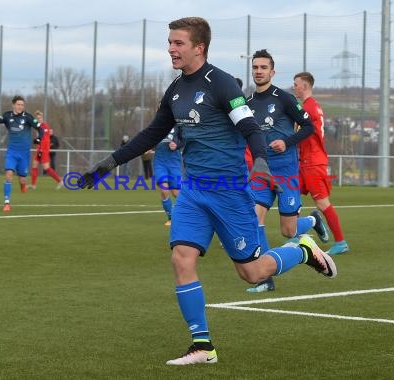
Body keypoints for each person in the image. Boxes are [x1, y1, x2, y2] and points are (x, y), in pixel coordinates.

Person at [78, 17, 337, 365]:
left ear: (198, 47)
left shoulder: (222, 84)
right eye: (169, 42)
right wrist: (108, 163)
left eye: (178, 43)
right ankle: (203, 345)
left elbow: (250, 127)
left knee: (252, 271)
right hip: (194, 191)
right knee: (180, 258)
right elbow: (151, 134)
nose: (171, 48)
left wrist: (259, 160)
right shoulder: (174, 90)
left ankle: (303, 251)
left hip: (229, 192)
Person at [245, 49, 330, 293]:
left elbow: (308, 127)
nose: (258, 71)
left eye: (263, 68)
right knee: (255, 218)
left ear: (272, 72)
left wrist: (287, 142)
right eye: (255, 67)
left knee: (288, 231)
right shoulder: (247, 104)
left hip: (286, 171)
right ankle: (265, 278)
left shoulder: (283, 98)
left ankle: (313, 219)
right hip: (262, 171)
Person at [293, 72, 349, 255]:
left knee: (323, 204)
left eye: (296, 84)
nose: (294, 87)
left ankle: (340, 242)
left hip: (313, 163)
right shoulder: (312, 106)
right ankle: (298, 233)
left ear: (305, 86)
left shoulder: (308, 108)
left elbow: (301, 132)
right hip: (305, 162)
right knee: (291, 197)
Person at [0, 96, 43, 212]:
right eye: (18, 104)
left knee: (22, 179)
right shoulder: (7, 116)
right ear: (13, 105)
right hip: (12, 152)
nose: (20, 107)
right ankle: (7, 202)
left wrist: (39, 139)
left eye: (22, 105)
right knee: (8, 175)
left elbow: (40, 129)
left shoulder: (28, 117)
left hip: (24, 154)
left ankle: (23, 184)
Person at [153, 127, 182, 226]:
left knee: (176, 194)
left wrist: (177, 144)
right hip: (160, 163)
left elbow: (185, 140)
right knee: (164, 190)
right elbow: (149, 140)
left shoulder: (179, 125)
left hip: (174, 163)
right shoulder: (157, 126)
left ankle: (186, 215)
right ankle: (171, 218)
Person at [28, 111, 62, 190]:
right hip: (40, 149)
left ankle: (60, 181)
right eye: (37, 118)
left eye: (40, 118)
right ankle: (33, 185)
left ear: (42, 118)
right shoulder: (38, 125)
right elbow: (33, 122)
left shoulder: (45, 126)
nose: (39, 119)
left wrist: (43, 149)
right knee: (34, 165)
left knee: (46, 167)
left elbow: (46, 139)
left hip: (44, 150)